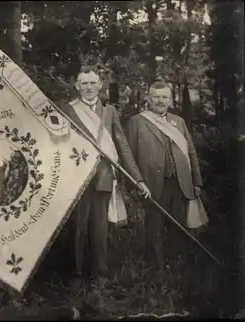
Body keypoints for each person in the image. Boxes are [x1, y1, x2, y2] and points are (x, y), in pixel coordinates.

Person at [58, 66, 151, 284]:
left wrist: (137, 179)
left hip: (103, 176)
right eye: (84, 83)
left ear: (100, 85)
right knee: (78, 226)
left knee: (100, 227)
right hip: (77, 176)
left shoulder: (110, 112)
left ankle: (99, 273)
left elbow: (123, 146)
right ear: (77, 86)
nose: (88, 87)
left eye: (92, 83)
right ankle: (76, 274)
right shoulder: (67, 109)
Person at [126, 81, 204, 276]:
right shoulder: (137, 121)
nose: (160, 101)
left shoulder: (179, 121)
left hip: (180, 183)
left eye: (164, 97)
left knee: (179, 225)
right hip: (153, 184)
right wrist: (137, 182)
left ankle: (177, 267)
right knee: (155, 226)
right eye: (156, 97)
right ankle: (157, 269)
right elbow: (129, 156)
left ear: (170, 100)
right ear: (149, 98)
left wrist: (196, 181)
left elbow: (191, 153)